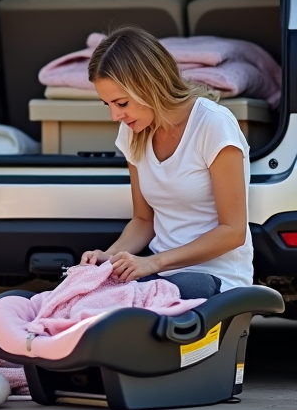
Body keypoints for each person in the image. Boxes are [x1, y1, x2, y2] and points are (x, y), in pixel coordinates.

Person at [80, 25, 254, 299]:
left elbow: (233, 232)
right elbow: (143, 219)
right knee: (87, 294)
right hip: (160, 276)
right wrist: (109, 257)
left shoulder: (213, 124)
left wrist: (153, 262)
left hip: (217, 278)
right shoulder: (133, 132)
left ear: (149, 86)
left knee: (144, 302)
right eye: (108, 105)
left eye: (122, 103)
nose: (115, 115)